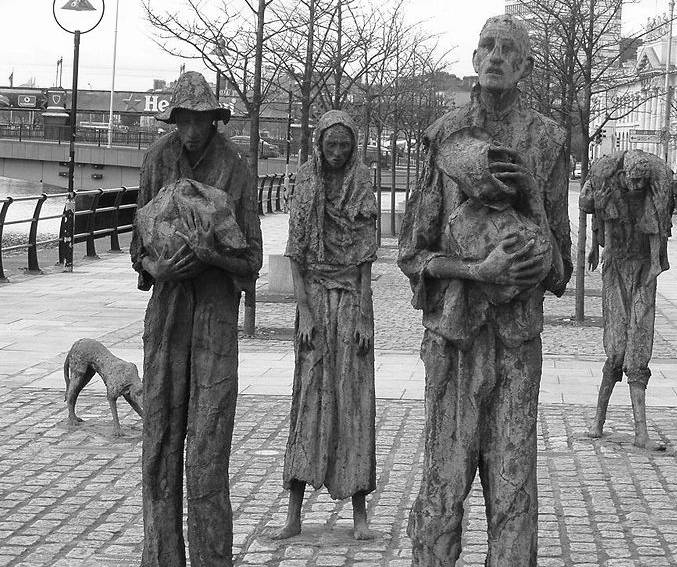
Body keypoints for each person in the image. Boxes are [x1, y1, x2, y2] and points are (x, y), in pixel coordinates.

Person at [398, 15, 572, 566]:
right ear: (475, 60)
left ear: (523, 66)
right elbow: (412, 254)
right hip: (454, 342)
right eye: (487, 47)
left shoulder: (547, 140)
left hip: (518, 345)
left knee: (514, 493)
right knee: (442, 491)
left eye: (508, 49)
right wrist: (480, 270)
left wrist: (533, 219)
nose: (495, 56)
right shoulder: (445, 136)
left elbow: (561, 271)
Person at [130, 71, 262, 567]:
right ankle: (160, 557)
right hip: (166, 317)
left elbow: (250, 260)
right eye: (183, 121)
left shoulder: (234, 164)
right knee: (160, 441)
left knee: (207, 450)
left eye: (199, 121)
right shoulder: (157, 158)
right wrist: (155, 267)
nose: (190, 131)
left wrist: (212, 254)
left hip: (214, 320)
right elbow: (138, 243)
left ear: (213, 119)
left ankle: (212, 559)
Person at [275, 110, 378, 541]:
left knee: (353, 404)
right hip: (315, 301)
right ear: (319, 144)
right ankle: (294, 513)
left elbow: (365, 263)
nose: (337, 153)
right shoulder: (306, 181)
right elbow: (295, 254)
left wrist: (365, 318)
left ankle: (359, 515)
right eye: (330, 145)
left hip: (351, 300)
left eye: (345, 146)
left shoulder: (361, 183)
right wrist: (306, 312)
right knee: (310, 401)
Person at [581, 149, 673, 451]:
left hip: (643, 272)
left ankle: (640, 431)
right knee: (616, 349)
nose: (637, 186)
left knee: (639, 348)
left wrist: (656, 268)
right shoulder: (611, 194)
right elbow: (597, 215)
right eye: (633, 180)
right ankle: (598, 421)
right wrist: (595, 247)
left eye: (642, 182)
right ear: (623, 177)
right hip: (616, 270)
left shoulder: (650, 199)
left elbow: (656, 237)